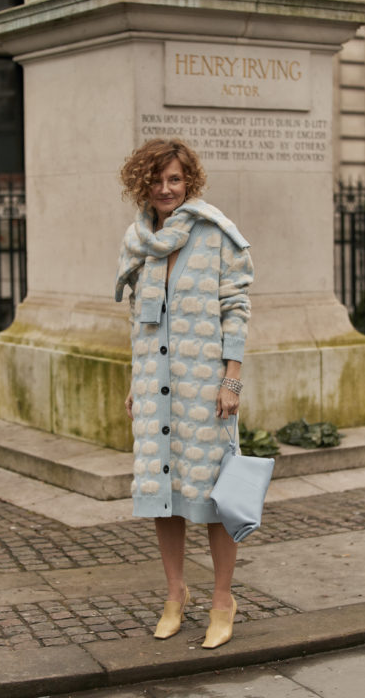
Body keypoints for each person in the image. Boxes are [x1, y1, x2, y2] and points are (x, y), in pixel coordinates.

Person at [115, 138, 253, 649]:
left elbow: (235, 308)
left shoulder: (215, 233)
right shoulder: (139, 241)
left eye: (175, 179)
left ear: (188, 181)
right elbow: (139, 322)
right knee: (163, 496)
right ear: (142, 184)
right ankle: (176, 594)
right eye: (156, 179)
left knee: (216, 498)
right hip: (156, 386)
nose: (166, 188)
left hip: (204, 388)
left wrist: (231, 380)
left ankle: (222, 600)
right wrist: (136, 381)